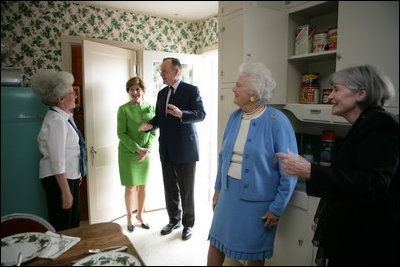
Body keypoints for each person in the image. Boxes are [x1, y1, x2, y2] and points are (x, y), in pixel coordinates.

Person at [276, 65, 399, 266]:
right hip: (352, 237)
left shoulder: (382, 125)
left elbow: (372, 184)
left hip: (368, 243)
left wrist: (309, 170)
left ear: (361, 93)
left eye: (336, 89)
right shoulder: (365, 123)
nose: (330, 96)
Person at [207, 62, 298, 266]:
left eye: (238, 85)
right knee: (216, 242)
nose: (233, 88)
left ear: (253, 94)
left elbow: (289, 170)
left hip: (258, 201)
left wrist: (277, 207)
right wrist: (218, 189)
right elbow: (223, 157)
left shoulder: (278, 122)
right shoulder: (234, 117)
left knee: (254, 251)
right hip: (229, 194)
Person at [138, 57, 206, 240]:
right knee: (170, 189)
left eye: (164, 71)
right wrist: (150, 125)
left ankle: (188, 224)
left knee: (187, 190)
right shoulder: (161, 93)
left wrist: (182, 114)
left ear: (177, 72)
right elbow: (159, 119)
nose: (161, 74)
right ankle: (174, 220)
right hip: (166, 149)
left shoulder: (191, 90)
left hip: (185, 149)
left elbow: (201, 114)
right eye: (161, 71)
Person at [30, 69, 85, 231]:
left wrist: (77, 173)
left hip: (69, 176)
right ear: (61, 99)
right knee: (64, 228)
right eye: (71, 92)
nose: (75, 95)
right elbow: (57, 159)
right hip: (59, 181)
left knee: (73, 225)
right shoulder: (56, 121)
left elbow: (71, 150)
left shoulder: (64, 117)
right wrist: (66, 191)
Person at [117, 77, 156, 232]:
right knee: (130, 188)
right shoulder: (123, 109)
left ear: (143, 90)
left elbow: (153, 131)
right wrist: (137, 149)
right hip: (128, 154)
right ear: (128, 92)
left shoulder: (151, 108)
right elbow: (121, 134)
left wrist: (146, 149)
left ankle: (140, 215)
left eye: (137, 89)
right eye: (131, 89)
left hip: (146, 154)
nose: (135, 92)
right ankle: (129, 217)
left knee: (143, 186)